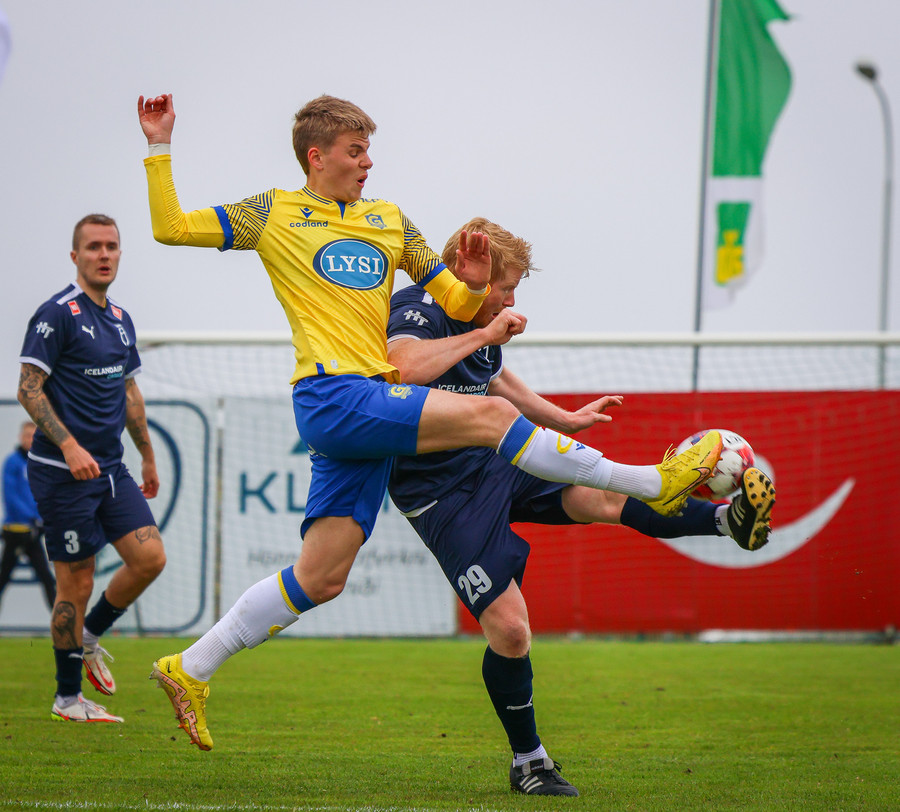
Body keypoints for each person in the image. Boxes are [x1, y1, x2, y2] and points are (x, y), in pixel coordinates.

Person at [136, 92, 724, 752]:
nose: (368, 162)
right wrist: (159, 146)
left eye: (369, 150)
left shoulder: (390, 220)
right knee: (493, 414)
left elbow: (455, 302)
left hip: (365, 407)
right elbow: (170, 227)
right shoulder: (273, 212)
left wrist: (469, 284)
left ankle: (190, 667)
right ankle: (651, 481)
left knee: (321, 577)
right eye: (356, 151)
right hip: (333, 393)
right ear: (317, 156)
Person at [386, 217, 777, 796]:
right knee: (511, 631)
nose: (511, 301)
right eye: (505, 288)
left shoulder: (481, 328)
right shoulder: (417, 306)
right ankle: (529, 762)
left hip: (492, 458)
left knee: (606, 498)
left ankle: (728, 521)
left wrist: (565, 419)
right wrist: (484, 333)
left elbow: (496, 380)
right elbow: (403, 368)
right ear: (470, 274)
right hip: (440, 491)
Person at [17, 214, 166, 724]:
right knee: (76, 584)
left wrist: (146, 454)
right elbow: (28, 389)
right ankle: (67, 699)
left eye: (111, 246)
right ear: (75, 256)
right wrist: (70, 447)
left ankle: (90, 634)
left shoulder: (120, 318)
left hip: (111, 470)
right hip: (62, 473)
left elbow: (129, 391)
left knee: (150, 559)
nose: (104, 254)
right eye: (94, 246)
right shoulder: (56, 314)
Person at [0, 421, 56, 610]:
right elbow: (11, 497)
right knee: (3, 577)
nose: (29, 440)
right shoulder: (13, 462)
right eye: (26, 436)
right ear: (20, 437)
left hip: (33, 532)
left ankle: (61, 622)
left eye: (33, 436)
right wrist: (33, 517)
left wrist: (43, 518)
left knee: (47, 578)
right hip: (17, 531)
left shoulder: (39, 463)